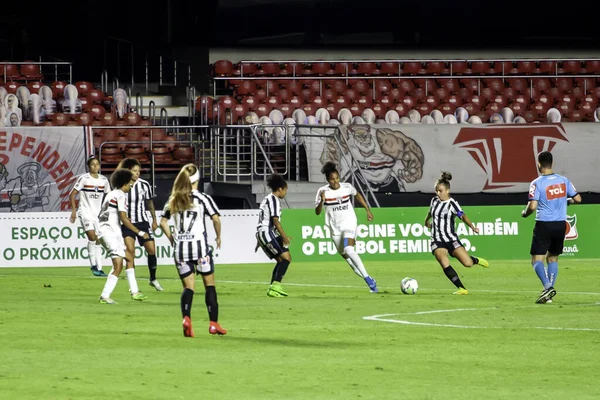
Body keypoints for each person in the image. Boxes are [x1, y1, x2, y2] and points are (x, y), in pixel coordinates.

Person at [159, 163, 227, 337]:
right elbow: (216, 218)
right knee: (209, 286)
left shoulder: (173, 199)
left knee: (188, 288)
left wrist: (172, 239)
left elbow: (162, 222)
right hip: (200, 249)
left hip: (180, 250)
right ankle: (213, 324)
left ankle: (186, 319)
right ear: (197, 179)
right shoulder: (203, 198)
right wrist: (218, 236)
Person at [521, 151, 581, 304]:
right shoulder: (564, 180)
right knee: (553, 258)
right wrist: (565, 201)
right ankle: (548, 294)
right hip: (561, 225)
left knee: (536, 260)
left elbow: (532, 206)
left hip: (544, 224)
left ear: (539, 164)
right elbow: (578, 199)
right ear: (552, 163)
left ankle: (548, 287)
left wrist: (525, 213)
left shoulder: (537, 183)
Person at [315, 161, 378, 293]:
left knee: (349, 249)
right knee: (349, 261)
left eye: (337, 178)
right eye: (332, 179)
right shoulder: (322, 191)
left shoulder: (347, 187)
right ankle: (370, 279)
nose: (335, 181)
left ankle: (368, 281)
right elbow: (317, 212)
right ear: (327, 180)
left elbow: (358, 195)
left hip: (349, 223)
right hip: (335, 229)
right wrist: (322, 200)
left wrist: (367, 210)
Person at [424, 171, 489, 295]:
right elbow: (430, 212)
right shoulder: (434, 201)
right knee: (443, 260)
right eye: (436, 191)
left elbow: (462, 216)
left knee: (467, 263)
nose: (438, 193)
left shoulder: (452, 204)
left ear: (447, 190)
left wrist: (472, 226)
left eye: (440, 191)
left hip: (451, 238)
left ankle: (475, 260)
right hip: (437, 239)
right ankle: (461, 288)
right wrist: (426, 221)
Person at [98, 169, 149, 304]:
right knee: (118, 266)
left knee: (129, 257)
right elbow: (123, 218)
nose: (131, 186)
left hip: (106, 231)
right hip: (109, 232)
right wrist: (140, 232)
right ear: (124, 183)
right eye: (130, 183)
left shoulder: (110, 194)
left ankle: (135, 291)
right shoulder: (120, 195)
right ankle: (104, 296)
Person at [116, 158, 162, 291]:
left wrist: (154, 219)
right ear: (128, 172)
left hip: (142, 222)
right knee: (130, 251)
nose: (137, 173)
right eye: (134, 171)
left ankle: (153, 279)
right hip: (127, 223)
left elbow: (149, 203)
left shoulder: (144, 185)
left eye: (138, 171)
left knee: (152, 249)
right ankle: (133, 283)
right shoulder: (122, 185)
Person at [69, 156, 111, 276]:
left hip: (97, 214)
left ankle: (100, 267)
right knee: (92, 237)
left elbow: (108, 198)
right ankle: (93, 266)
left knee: (98, 240)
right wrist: (74, 210)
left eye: (97, 164)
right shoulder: (84, 178)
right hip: (85, 212)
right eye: (92, 164)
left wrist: (106, 212)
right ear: (89, 166)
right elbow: (72, 194)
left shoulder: (104, 180)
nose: (95, 166)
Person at [255, 174, 292, 297]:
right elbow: (275, 220)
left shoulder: (266, 199)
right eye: (285, 190)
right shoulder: (274, 200)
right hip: (267, 233)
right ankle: (275, 286)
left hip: (263, 234)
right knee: (286, 258)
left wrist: (259, 241)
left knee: (281, 260)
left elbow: (262, 221)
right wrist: (284, 236)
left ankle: (273, 287)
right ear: (280, 189)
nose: (285, 193)